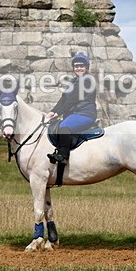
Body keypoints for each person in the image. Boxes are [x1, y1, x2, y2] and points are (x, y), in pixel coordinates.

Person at [45, 53, 97, 184]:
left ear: (86, 67)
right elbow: (64, 99)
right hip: (75, 114)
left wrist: (58, 113)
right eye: (76, 66)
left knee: (64, 127)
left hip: (85, 113)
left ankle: (63, 156)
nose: (79, 68)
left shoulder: (87, 81)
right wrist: (53, 111)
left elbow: (73, 99)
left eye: (82, 66)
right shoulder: (73, 81)